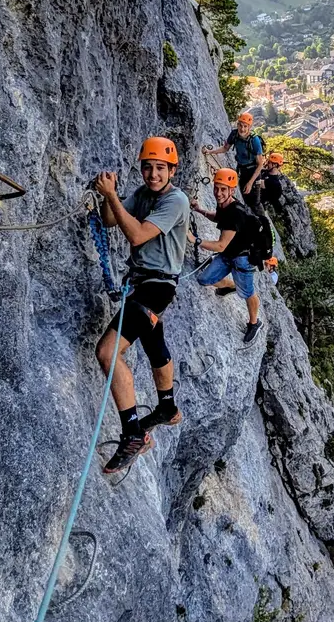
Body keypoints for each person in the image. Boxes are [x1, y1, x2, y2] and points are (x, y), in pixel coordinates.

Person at [93, 137, 190, 474]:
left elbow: (136, 235)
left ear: (172, 171)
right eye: (148, 167)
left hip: (156, 288)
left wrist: (112, 197)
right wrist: (110, 195)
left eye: (160, 168)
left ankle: (134, 434)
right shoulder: (143, 194)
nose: (153, 174)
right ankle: (167, 407)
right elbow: (109, 220)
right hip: (145, 284)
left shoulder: (176, 201)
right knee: (153, 340)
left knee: (107, 353)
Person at [190, 167, 261, 344]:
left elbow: (220, 245)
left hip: (243, 258)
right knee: (204, 279)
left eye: (223, 189)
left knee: (247, 292)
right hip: (229, 254)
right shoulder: (224, 204)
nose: (218, 193)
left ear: (232, 190)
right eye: (216, 188)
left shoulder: (235, 212)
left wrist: (195, 240)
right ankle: (231, 286)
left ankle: (254, 323)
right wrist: (200, 210)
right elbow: (219, 218)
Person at [203, 111, 265, 207]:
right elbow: (225, 148)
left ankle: (259, 217)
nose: (242, 129)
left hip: (253, 172)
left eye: (245, 126)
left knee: (255, 203)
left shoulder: (254, 140)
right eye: (240, 125)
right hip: (241, 170)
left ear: (249, 127)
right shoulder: (234, 134)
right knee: (244, 197)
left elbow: (260, 164)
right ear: (237, 124)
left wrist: (250, 183)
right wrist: (210, 152)